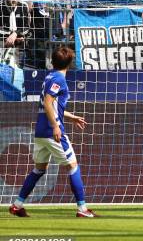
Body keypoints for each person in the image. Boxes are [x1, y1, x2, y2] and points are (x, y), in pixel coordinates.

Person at [9, 47, 97, 218]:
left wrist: (70, 117)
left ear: (53, 61)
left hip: (41, 131)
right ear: (70, 64)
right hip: (51, 131)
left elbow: (51, 105)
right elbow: (48, 102)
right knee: (72, 166)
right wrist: (56, 126)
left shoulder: (49, 76)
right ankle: (82, 209)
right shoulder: (59, 79)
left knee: (39, 169)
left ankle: (17, 205)